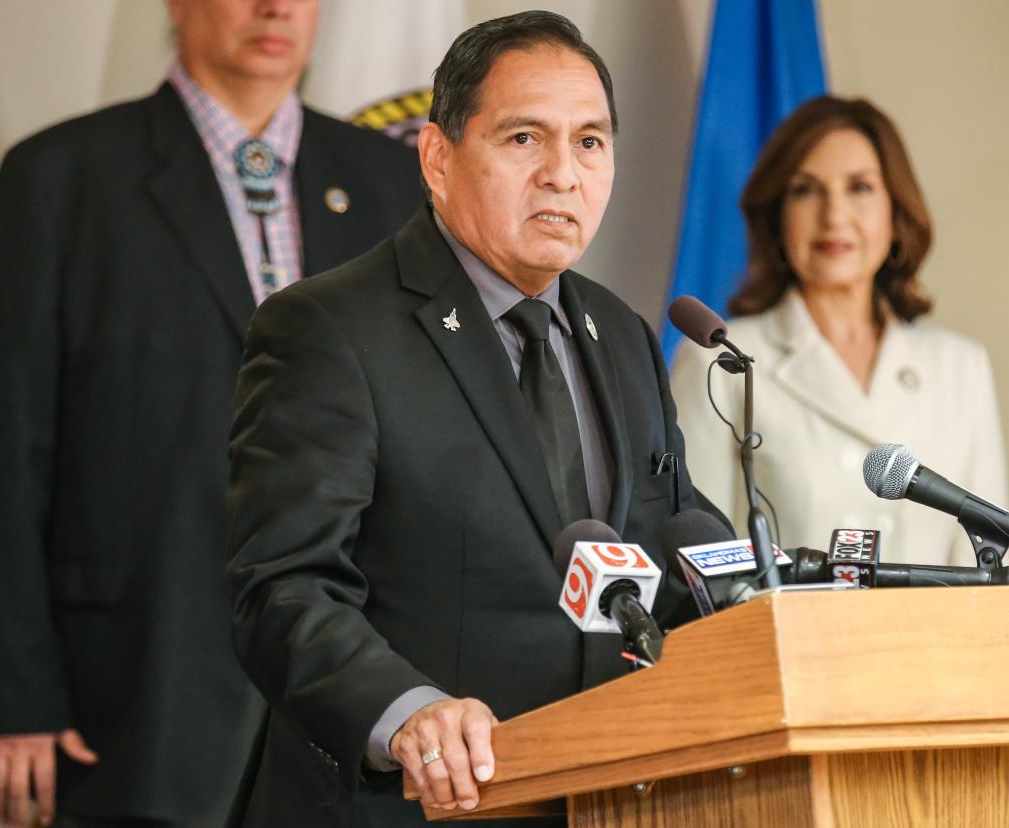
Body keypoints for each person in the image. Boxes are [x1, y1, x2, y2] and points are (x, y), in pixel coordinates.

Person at [223, 11, 705, 827]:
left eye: (590, 142)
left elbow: (674, 549)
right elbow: (283, 587)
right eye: (525, 139)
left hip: (600, 796)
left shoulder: (624, 336)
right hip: (408, 805)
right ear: (438, 158)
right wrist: (405, 710)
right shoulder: (329, 328)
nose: (563, 173)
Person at [0, 0, 425, 825]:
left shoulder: (390, 178)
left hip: (353, 699)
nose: (275, 7)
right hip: (129, 692)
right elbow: (4, 451)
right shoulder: (60, 177)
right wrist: (13, 694)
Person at [669, 96, 1007, 565]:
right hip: (783, 637)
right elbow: (700, 562)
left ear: (896, 211)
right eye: (806, 190)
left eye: (860, 187)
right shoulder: (718, 358)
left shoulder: (961, 368)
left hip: (935, 639)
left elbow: (984, 568)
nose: (833, 215)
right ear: (777, 215)